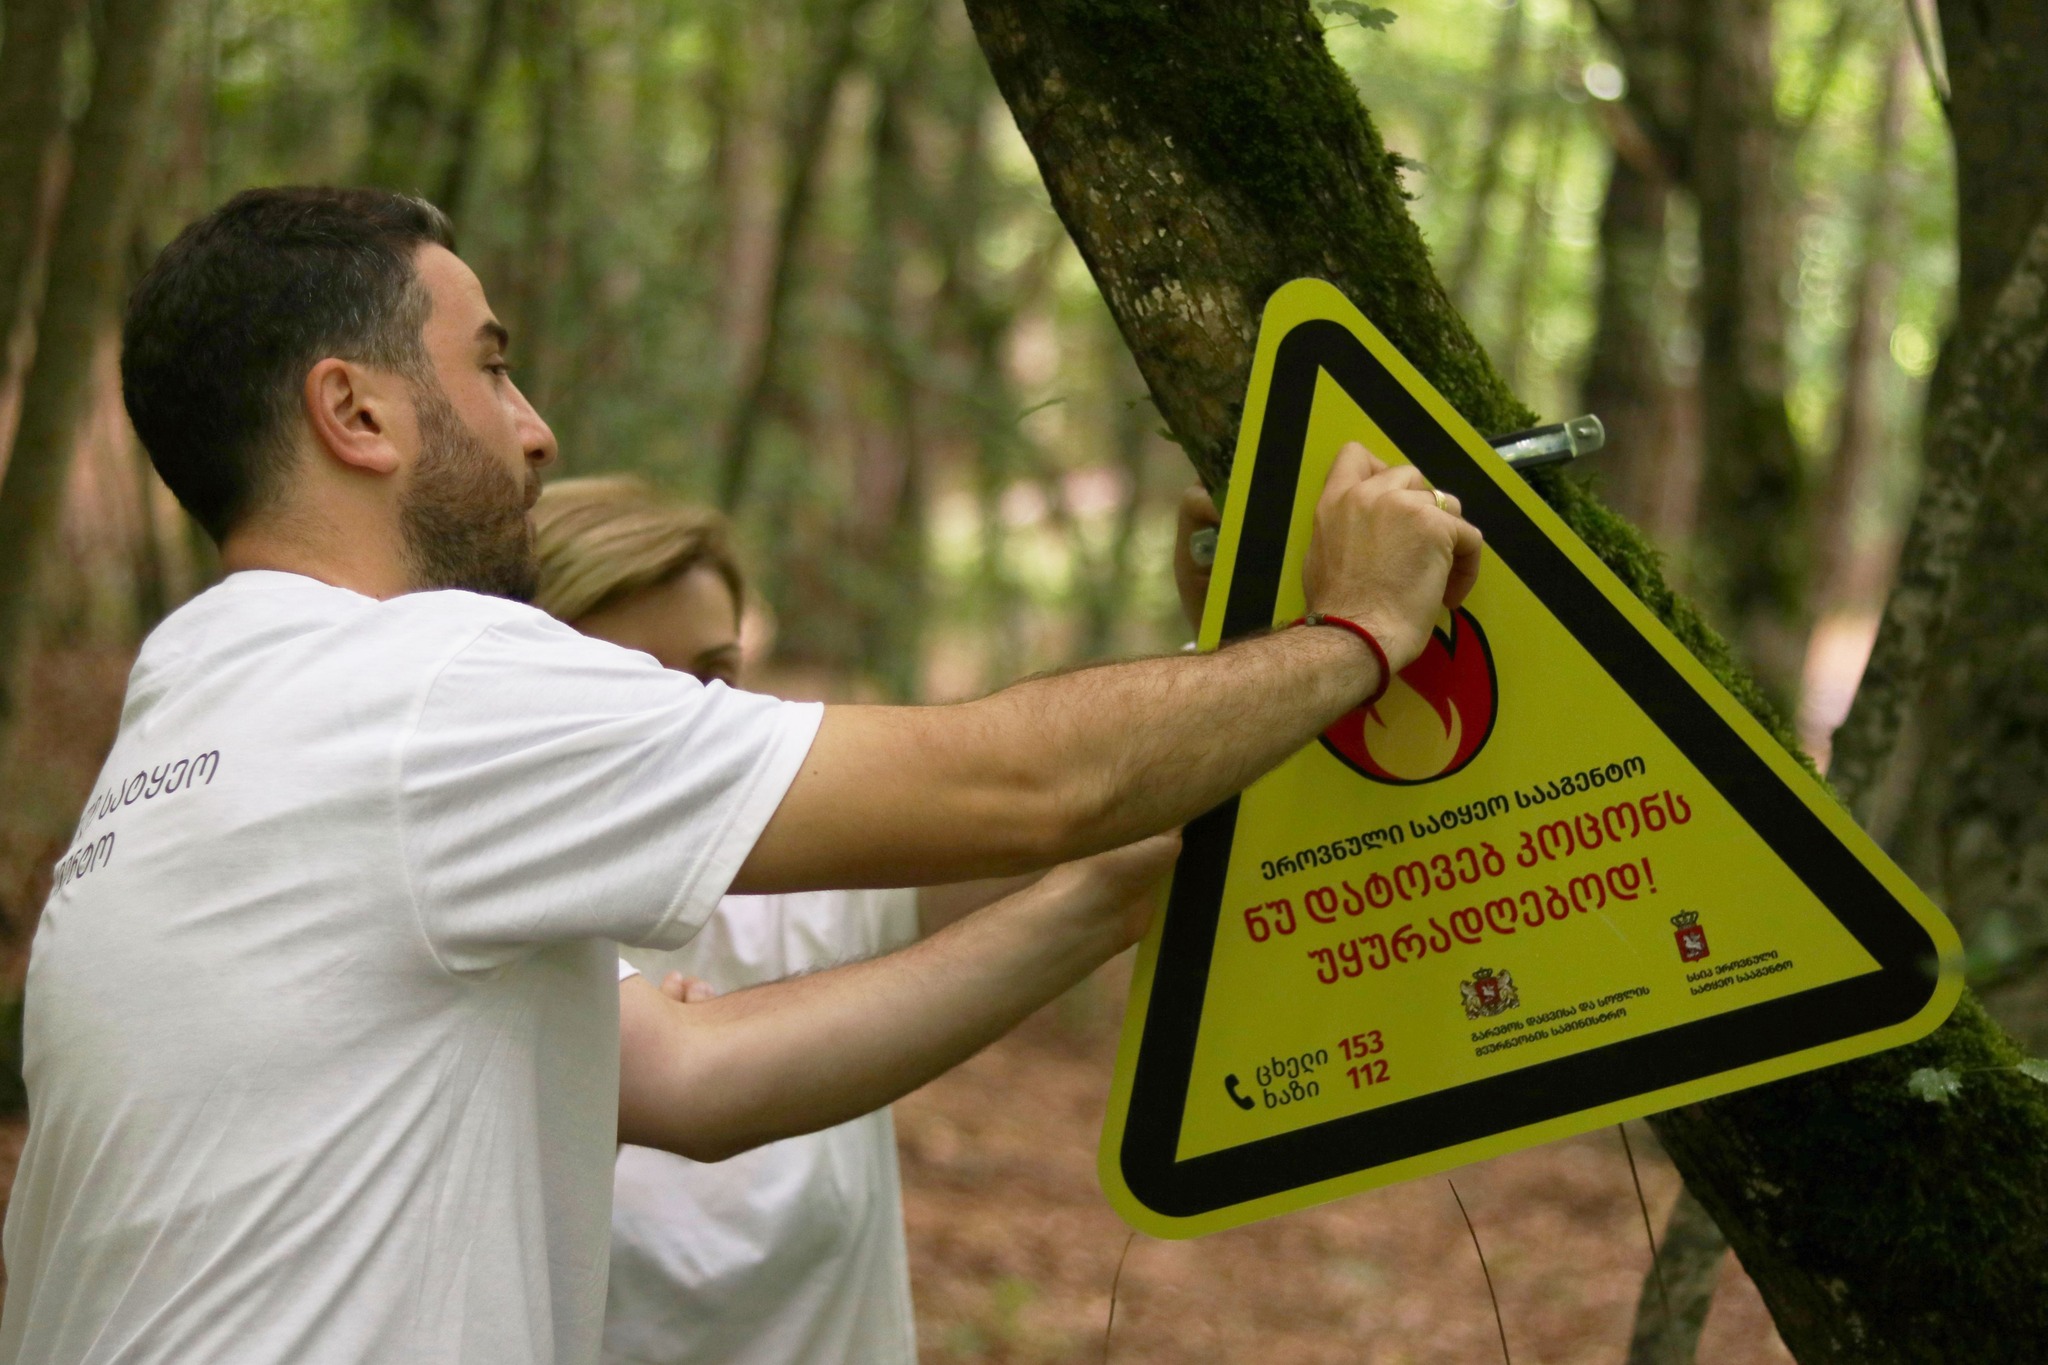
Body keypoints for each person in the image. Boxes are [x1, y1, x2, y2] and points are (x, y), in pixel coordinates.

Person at [0, 186, 1481, 1365]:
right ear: (357, 413)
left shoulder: (192, 722)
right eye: (492, 365)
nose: (535, 428)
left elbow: (698, 1080)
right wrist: (1356, 631)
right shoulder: (413, 685)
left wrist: (1109, 894)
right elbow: (1021, 785)